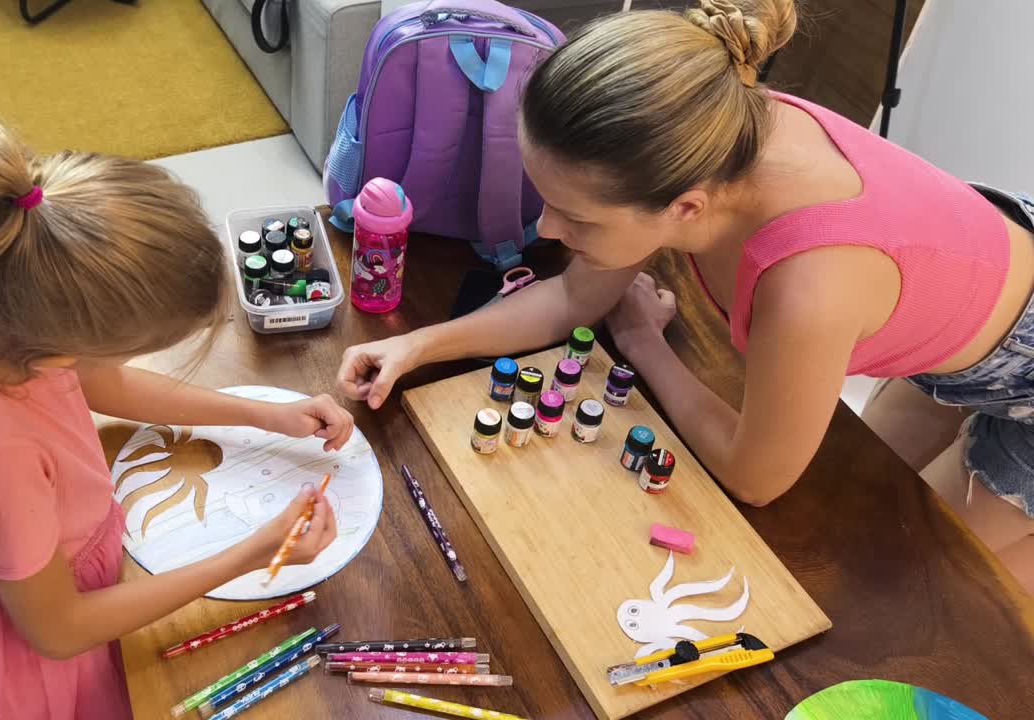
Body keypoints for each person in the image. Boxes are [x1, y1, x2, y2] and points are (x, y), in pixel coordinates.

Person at [335, 0, 1034, 591]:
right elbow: (571, 301)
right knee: (873, 492)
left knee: (931, 580)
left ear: (686, 211)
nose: (544, 229)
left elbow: (755, 476)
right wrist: (414, 345)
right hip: (975, 309)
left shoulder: (808, 289)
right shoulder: (695, 134)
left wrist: (643, 345)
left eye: (576, 219)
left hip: (1020, 368)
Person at [0, 115, 353, 719]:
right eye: (129, 346)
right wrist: (254, 552)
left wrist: (259, 415)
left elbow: (102, 382)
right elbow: (59, 630)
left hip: (31, 560)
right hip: (38, 651)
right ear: (61, 346)